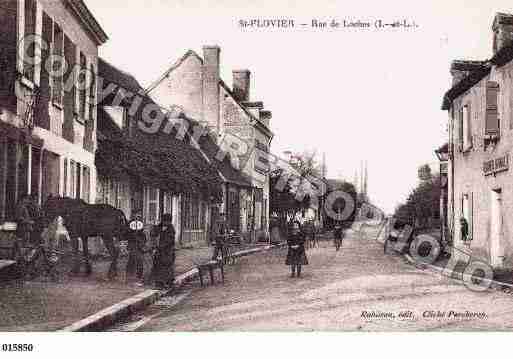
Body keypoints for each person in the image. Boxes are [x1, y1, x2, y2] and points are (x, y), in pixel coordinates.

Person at [151, 213, 176, 289]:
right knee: (158, 266)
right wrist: (154, 228)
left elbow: (169, 241)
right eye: (165, 221)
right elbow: (153, 234)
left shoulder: (171, 229)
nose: (166, 223)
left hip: (168, 251)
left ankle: (169, 282)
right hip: (159, 251)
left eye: (168, 221)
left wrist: (160, 246)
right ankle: (159, 283)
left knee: (167, 266)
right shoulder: (158, 227)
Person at [126, 212, 146, 284]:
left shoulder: (142, 232)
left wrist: (141, 244)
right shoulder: (131, 228)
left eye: (138, 217)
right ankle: (129, 278)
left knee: (139, 262)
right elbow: (128, 237)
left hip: (139, 248)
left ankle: (138, 277)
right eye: (135, 217)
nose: (137, 218)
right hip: (133, 247)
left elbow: (144, 239)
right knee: (131, 261)